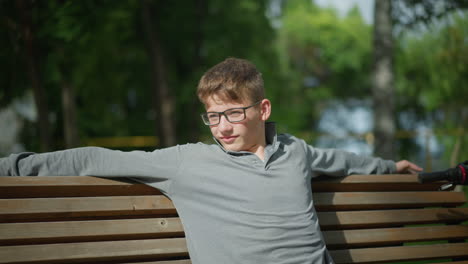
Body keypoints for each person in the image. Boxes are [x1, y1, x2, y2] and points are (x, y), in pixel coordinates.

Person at [0, 57, 422, 264]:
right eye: (213, 115)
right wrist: (12, 166)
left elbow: (343, 160)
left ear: (263, 109)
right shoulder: (188, 162)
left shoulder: (295, 152)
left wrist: (392, 167)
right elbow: (97, 158)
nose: (221, 126)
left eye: (233, 112)